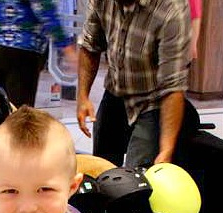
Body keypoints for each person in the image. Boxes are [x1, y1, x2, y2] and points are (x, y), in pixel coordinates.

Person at [76, 0, 191, 169]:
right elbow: (90, 45)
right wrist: (83, 96)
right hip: (115, 91)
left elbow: (172, 85)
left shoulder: (171, 9)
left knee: (136, 179)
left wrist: (166, 149)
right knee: (101, 171)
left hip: (152, 102)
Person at [0, 0, 79, 107]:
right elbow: (43, 6)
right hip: (22, 48)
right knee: (21, 113)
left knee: (1, 108)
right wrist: (65, 46)